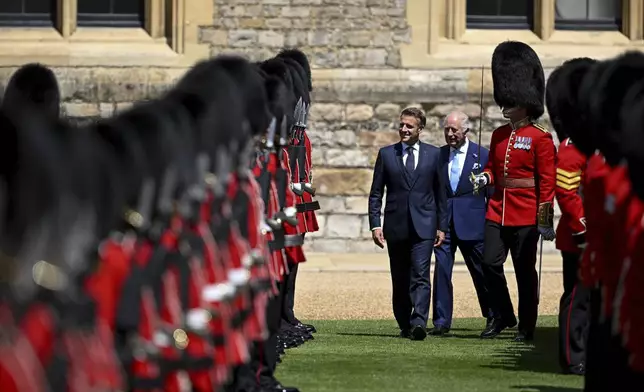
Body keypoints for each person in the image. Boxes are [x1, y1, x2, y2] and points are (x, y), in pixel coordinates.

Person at [471, 41, 557, 342]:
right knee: (489, 264)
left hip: (526, 212)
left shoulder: (541, 138)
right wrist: (485, 177)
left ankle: (526, 325)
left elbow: (547, 182)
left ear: (524, 100)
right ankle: (504, 315)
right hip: (498, 208)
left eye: (510, 100)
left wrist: (545, 219)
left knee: (524, 271)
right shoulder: (498, 134)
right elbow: (495, 169)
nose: (504, 105)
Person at [368, 107, 448, 341]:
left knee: (421, 274)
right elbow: (375, 193)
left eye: (409, 126)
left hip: (424, 226)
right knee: (400, 277)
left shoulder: (434, 155)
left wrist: (441, 226)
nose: (403, 129)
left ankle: (419, 321)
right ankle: (404, 321)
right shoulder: (386, 154)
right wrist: (375, 224)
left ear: (420, 129)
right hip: (395, 226)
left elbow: (440, 194)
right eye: (401, 125)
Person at [545, 57, 596, 376]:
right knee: (578, 298)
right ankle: (572, 355)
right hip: (581, 237)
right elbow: (566, 190)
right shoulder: (573, 146)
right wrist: (585, 229)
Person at [431, 111, 495, 336]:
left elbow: (492, 194)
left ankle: (492, 316)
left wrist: (491, 224)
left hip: (473, 223)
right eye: (447, 129)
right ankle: (441, 322)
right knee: (441, 272)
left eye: (454, 130)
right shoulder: (437, 156)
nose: (450, 134)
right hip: (443, 225)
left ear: (465, 130)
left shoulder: (483, 155)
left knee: (481, 272)